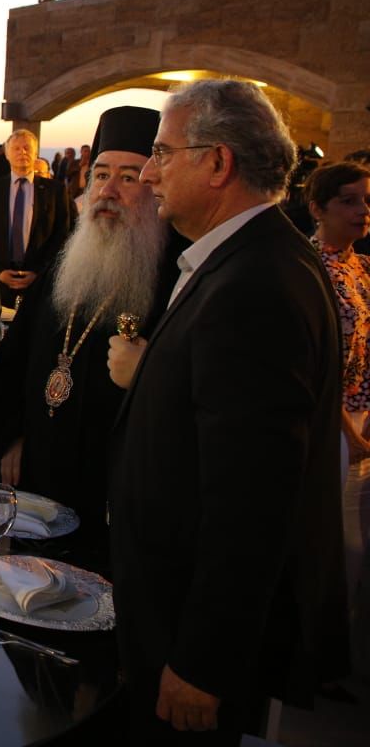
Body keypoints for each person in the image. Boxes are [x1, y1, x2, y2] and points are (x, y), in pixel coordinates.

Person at [106, 80, 348, 740]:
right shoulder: (241, 259)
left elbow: (254, 502)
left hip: (188, 643)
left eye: (162, 153)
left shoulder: (256, 285)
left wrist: (202, 662)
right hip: (168, 611)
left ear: (217, 163)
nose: (149, 172)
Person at [0, 106, 180, 564]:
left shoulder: (175, 277)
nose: (108, 191)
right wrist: (12, 435)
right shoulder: (67, 261)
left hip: (112, 491)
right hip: (37, 474)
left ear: (156, 185)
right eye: (101, 175)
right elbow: (14, 358)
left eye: (128, 177)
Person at [304, 161, 370, 676]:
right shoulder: (310, 270)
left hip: (363, 415)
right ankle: (324, 657)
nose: (362, 210)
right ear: (317, 208)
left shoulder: (360, 267)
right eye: (348, 200)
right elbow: (315, 365)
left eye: (365, 200)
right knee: (344, 544)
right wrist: (349, 432)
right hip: (335, 422)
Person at [0, 128, 72, 304]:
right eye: (16, 148)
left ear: (36, 153)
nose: (22, 152)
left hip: (39, 283)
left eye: (27, 148)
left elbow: (62, 236)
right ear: (7, 154)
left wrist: (39, 272)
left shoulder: (55, 191)